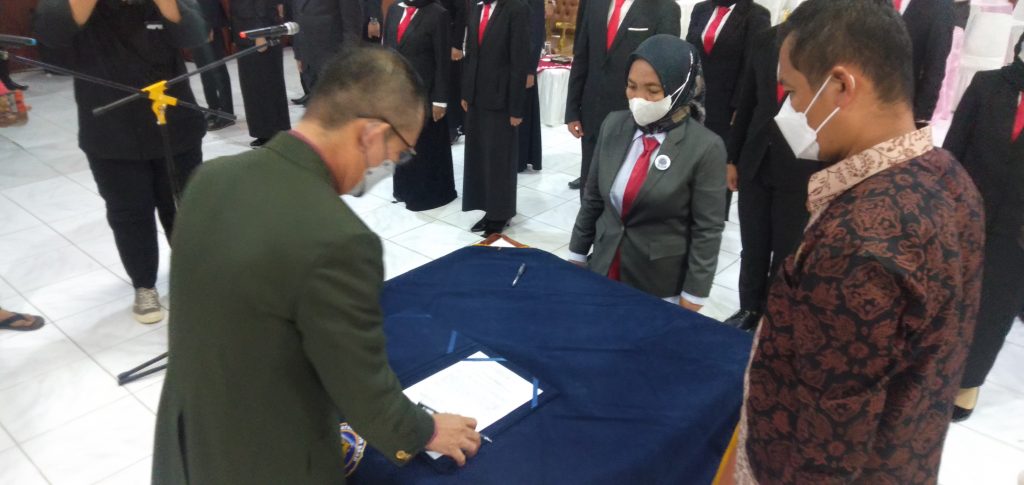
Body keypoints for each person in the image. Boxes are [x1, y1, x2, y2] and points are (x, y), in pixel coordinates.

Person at [152, 47, 481, 484]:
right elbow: (361, 387)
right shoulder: (340, 239)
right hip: (270, 462)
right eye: (400, 153)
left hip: (187, 444)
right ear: (372, 135)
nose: (390, 168)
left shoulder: (211, 178)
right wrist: (427, 431)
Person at [720, 1, 985, 483]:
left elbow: (827, 446)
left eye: (794, 92)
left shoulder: (857, 243)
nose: (789, 110)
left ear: (841, 86)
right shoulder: (951, 179)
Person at [35, 0, 207, 325]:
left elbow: (195, 34)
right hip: (109, 130)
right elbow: (51, 35)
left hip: (175, 123)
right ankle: (144, 285)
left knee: (185, 205)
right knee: (129, 213)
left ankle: (197, 277)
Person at [568, 35, 726, 311]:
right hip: (604, 266)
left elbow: (707, 230)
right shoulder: (614, 125)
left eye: (653, 90)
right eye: (632, 86)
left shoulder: (705, 147)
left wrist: (694, 296)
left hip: (658, 282)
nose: (639, 99)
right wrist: (577, 254)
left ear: (680, 88)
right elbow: (592, 198)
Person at [942, 31, 1024, 422]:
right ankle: (929, 368)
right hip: (966, 214)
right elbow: (954, 147)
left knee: (994, 309)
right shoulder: (988, 85)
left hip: (1017, 232)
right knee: (949, 295)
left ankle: (968, 380)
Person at [721, 25, 818, 331]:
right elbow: (747, 103)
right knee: (753, 244)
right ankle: (748, 308)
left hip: (800, 168)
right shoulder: (766, 38)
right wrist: (732, 158)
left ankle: (773, 314)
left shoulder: (825, 44)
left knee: (786, 250)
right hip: (755, 160)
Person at [564, 0, 681, 191]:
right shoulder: (594, 5)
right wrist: (572, 111)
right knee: (590, 185)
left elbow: (665, 69)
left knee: (623, 188)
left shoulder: (664, 7)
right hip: (592, 114)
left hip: (634, 119)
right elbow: (582, 57)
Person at [686, 0, 770, 219]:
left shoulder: (756, 15)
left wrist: (740, 106)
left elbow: (752, 65)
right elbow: (688, 51)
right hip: (693, 100)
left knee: (717, 160)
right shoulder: (701, 9)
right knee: (689, 155)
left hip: (727, 106)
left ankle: (712, 217)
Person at [459, 0, 531, 235]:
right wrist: (466, 91)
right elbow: (470, 52)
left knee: (500, 160)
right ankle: (487, 209)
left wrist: (516, 108)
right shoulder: (477, 7)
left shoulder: (516, 9)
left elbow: (519, 60)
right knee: (479, 157)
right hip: (477, 96)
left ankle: (501, 213)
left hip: (502, 99)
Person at [385, 0, 458, 211]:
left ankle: (429, 195)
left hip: (425, 93)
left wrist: (440, 99)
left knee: (425, 146)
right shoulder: (395, 10)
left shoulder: (437, 14)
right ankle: (404, 189)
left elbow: (442, 62)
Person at [232, 0, 291, 147]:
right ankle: (265, 130)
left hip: (259, 33)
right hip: (247, 31)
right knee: (253, 85)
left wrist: (260, 34)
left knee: (264, 84)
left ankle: (271, 132)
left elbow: (260, 4)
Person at [898, 0, 954, 125]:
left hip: (902, 108)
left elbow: (935, 67)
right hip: (861, 99)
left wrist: (921, 117)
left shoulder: (940, 6)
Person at [293, 0, 364, 97]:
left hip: (333, 58)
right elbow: (298, 17)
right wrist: (298, 53)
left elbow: (352, 28)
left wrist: (347, 59)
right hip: (308, 57)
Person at [192, 0, 235, 131]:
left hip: (209, 24)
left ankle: (227, 113)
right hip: (194, 25)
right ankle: (213, 107)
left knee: (217, 71)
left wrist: (209, 25)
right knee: (204, 70)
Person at [517, 0, 546, 173]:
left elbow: (536, 29)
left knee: (522, 111)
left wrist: (530, 69)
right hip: (505, 63)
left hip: (524, 62)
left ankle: (521, 158)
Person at [440, 0, 469, 143]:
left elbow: (461, 12)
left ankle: (453, 126)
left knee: (451, 83)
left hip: (449, 38)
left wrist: (457, 44)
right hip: (432, 34)